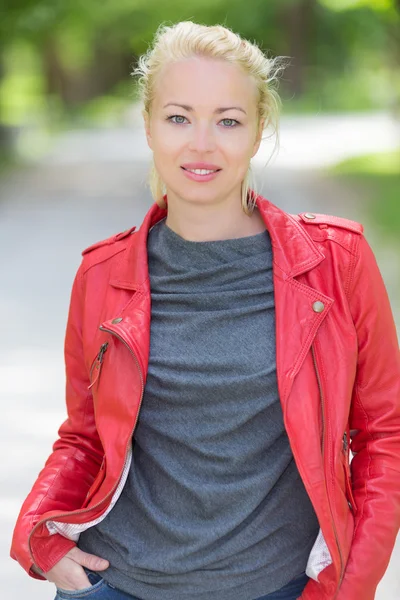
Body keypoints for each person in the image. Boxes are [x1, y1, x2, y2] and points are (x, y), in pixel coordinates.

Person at [10, 20, 400, 600]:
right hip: (116, 585)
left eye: (228, 121)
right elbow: (87, 436)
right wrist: (38, 534)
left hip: (280, 585)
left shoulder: (335, 263)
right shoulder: (102, 276)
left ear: (258, 128)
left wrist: (347, 588)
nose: (201, 143)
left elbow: (383, 437)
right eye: (178, 117)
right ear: (147, 127)